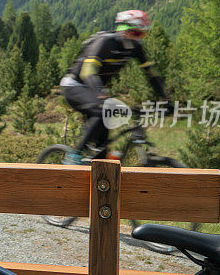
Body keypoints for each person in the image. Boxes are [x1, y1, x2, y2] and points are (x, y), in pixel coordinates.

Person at [58, 9, 169, 164]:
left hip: (94, 92)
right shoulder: (105, 42)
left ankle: (94, 167)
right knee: (103, 110)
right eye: (136, 33)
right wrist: (100, 94)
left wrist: (165, 99)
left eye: (142, 34)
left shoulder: (135, 48)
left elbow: (152, 75)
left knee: (101, 154)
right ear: (123, 28)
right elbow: (88, 72)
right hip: (74, 85)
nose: (138, 38)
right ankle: (73, 156)